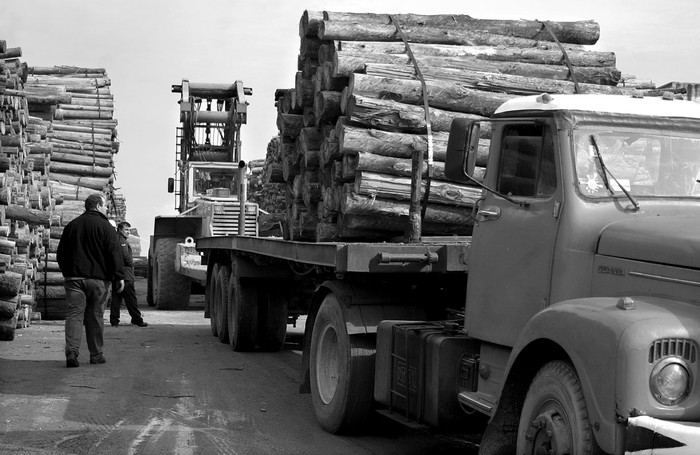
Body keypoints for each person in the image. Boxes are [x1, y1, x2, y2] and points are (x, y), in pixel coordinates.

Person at [57, 193, 125, 368]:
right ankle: (96, 355)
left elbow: (61, 254)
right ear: (98, 206)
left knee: (74, 315)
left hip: (74, 279)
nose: (106, 209)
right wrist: (118, 276)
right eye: (105, 206)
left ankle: (72, 352)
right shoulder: (106, 227)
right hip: (98, 281)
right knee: (95, 316)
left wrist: (68, 272)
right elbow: (114, 254)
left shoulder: (72, 226)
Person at [110, 221, 147, 328]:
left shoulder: (116, 240)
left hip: (118, 274)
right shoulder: (122, 241)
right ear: (120, 230)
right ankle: (137, 319)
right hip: (125, 275)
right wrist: (132, 263)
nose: (128, 232)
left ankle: (114, 320)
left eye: (129, 230)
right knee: (131, 299)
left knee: (116, 298)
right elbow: (126, 257)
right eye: (126, 230)